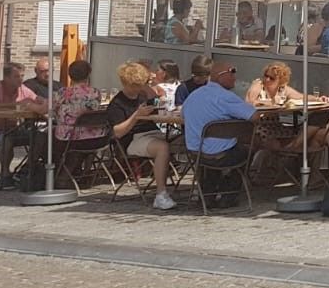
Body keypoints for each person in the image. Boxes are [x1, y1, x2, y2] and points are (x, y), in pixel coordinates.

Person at [182, 61, 257, 208]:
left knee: (214, 152)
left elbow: (182, 115)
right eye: (231, 73)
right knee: (249, 148)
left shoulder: (193, 96)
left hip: (194, 153)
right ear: (220, 76)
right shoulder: (226, 97)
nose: (234, 78)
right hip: (221, 155)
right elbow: (254, 117)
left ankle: (207, 195)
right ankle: (229, 195)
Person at [106, 61, 177, 211]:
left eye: (143, 84)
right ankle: (160, 194)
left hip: (154, 133)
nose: (142, 88)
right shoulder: (117, 103)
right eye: (138, 85)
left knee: (187, 139)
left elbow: (155, 98)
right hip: (133, 139)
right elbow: (117, 132)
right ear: (129, 84)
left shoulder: (142, 95)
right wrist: (136, 116)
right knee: (162, 148)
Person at [0, 62, 42, 186]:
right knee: (6, 138)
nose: (21, 79)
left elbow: (38, 99)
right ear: (6, 78)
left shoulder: (22, 89)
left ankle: (27, 169)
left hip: (13, 130)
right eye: (17, 76)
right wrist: (17, 105)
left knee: (41, 136)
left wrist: (45, 103)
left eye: (22, 76)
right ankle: (5, 174)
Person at [52, 59, 103, 144]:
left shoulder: (61, 93)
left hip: (68, 139)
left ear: (70, 75)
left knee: (44, 136)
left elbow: (54, 112)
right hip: (94, 139)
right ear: (88, 75)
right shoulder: (95, 93)